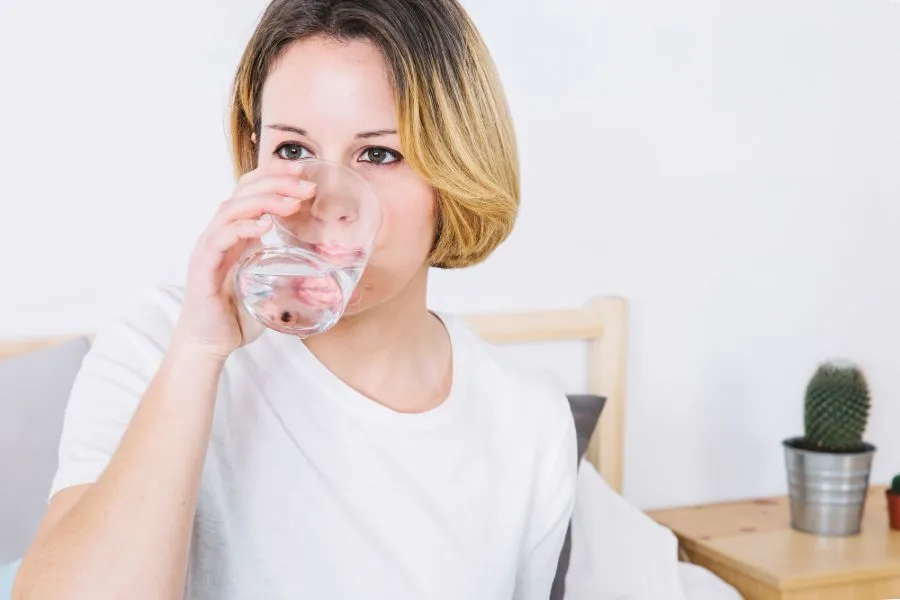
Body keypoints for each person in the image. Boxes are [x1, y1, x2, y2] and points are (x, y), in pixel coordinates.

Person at [12, 0, 577, 598]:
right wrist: (199, 354)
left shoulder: (528, 419)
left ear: (455, 171)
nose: (324, 198)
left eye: (379, 154)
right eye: (293, 151)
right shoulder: (158, 342)